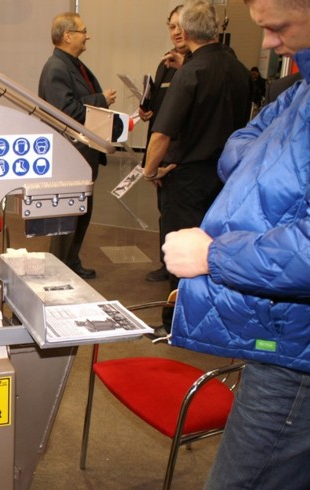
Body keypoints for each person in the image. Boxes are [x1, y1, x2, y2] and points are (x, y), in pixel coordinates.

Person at [161, 0, 310, 490]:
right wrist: (277, 163)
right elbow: (238, 143)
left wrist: (214, 255)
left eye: (277, 27)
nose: (267, 43)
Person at [141, 0, 250, 334]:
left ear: (186, 32)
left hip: (187, 178)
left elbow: (162, 133)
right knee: (212, 250)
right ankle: (209, 321)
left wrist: (149, 170)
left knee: (182, 254)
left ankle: (174, 326)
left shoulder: (190, 73)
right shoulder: (239, 69)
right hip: (225, 177)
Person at [38, 12, 117, 279]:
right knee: (68, 213)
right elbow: (66, 111)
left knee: (80, 211)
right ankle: (58, 269)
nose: (87, 36)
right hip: (70, 154)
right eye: (83, 31)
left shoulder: (71, 64)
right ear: (67, 36)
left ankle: (70, 262)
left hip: (82, 154)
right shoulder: (56, 68)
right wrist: (101, 100)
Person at [139, 4, 189, 283]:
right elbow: (162, 110)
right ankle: (166, 262)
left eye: (181, 25)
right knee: (165, 212)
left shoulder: (196, 67)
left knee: (181, 217)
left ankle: (179, 272)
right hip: (161, 154)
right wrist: (147, 110)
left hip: (182, 156)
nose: (176, 32)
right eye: (172, 26)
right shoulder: (165, 64)